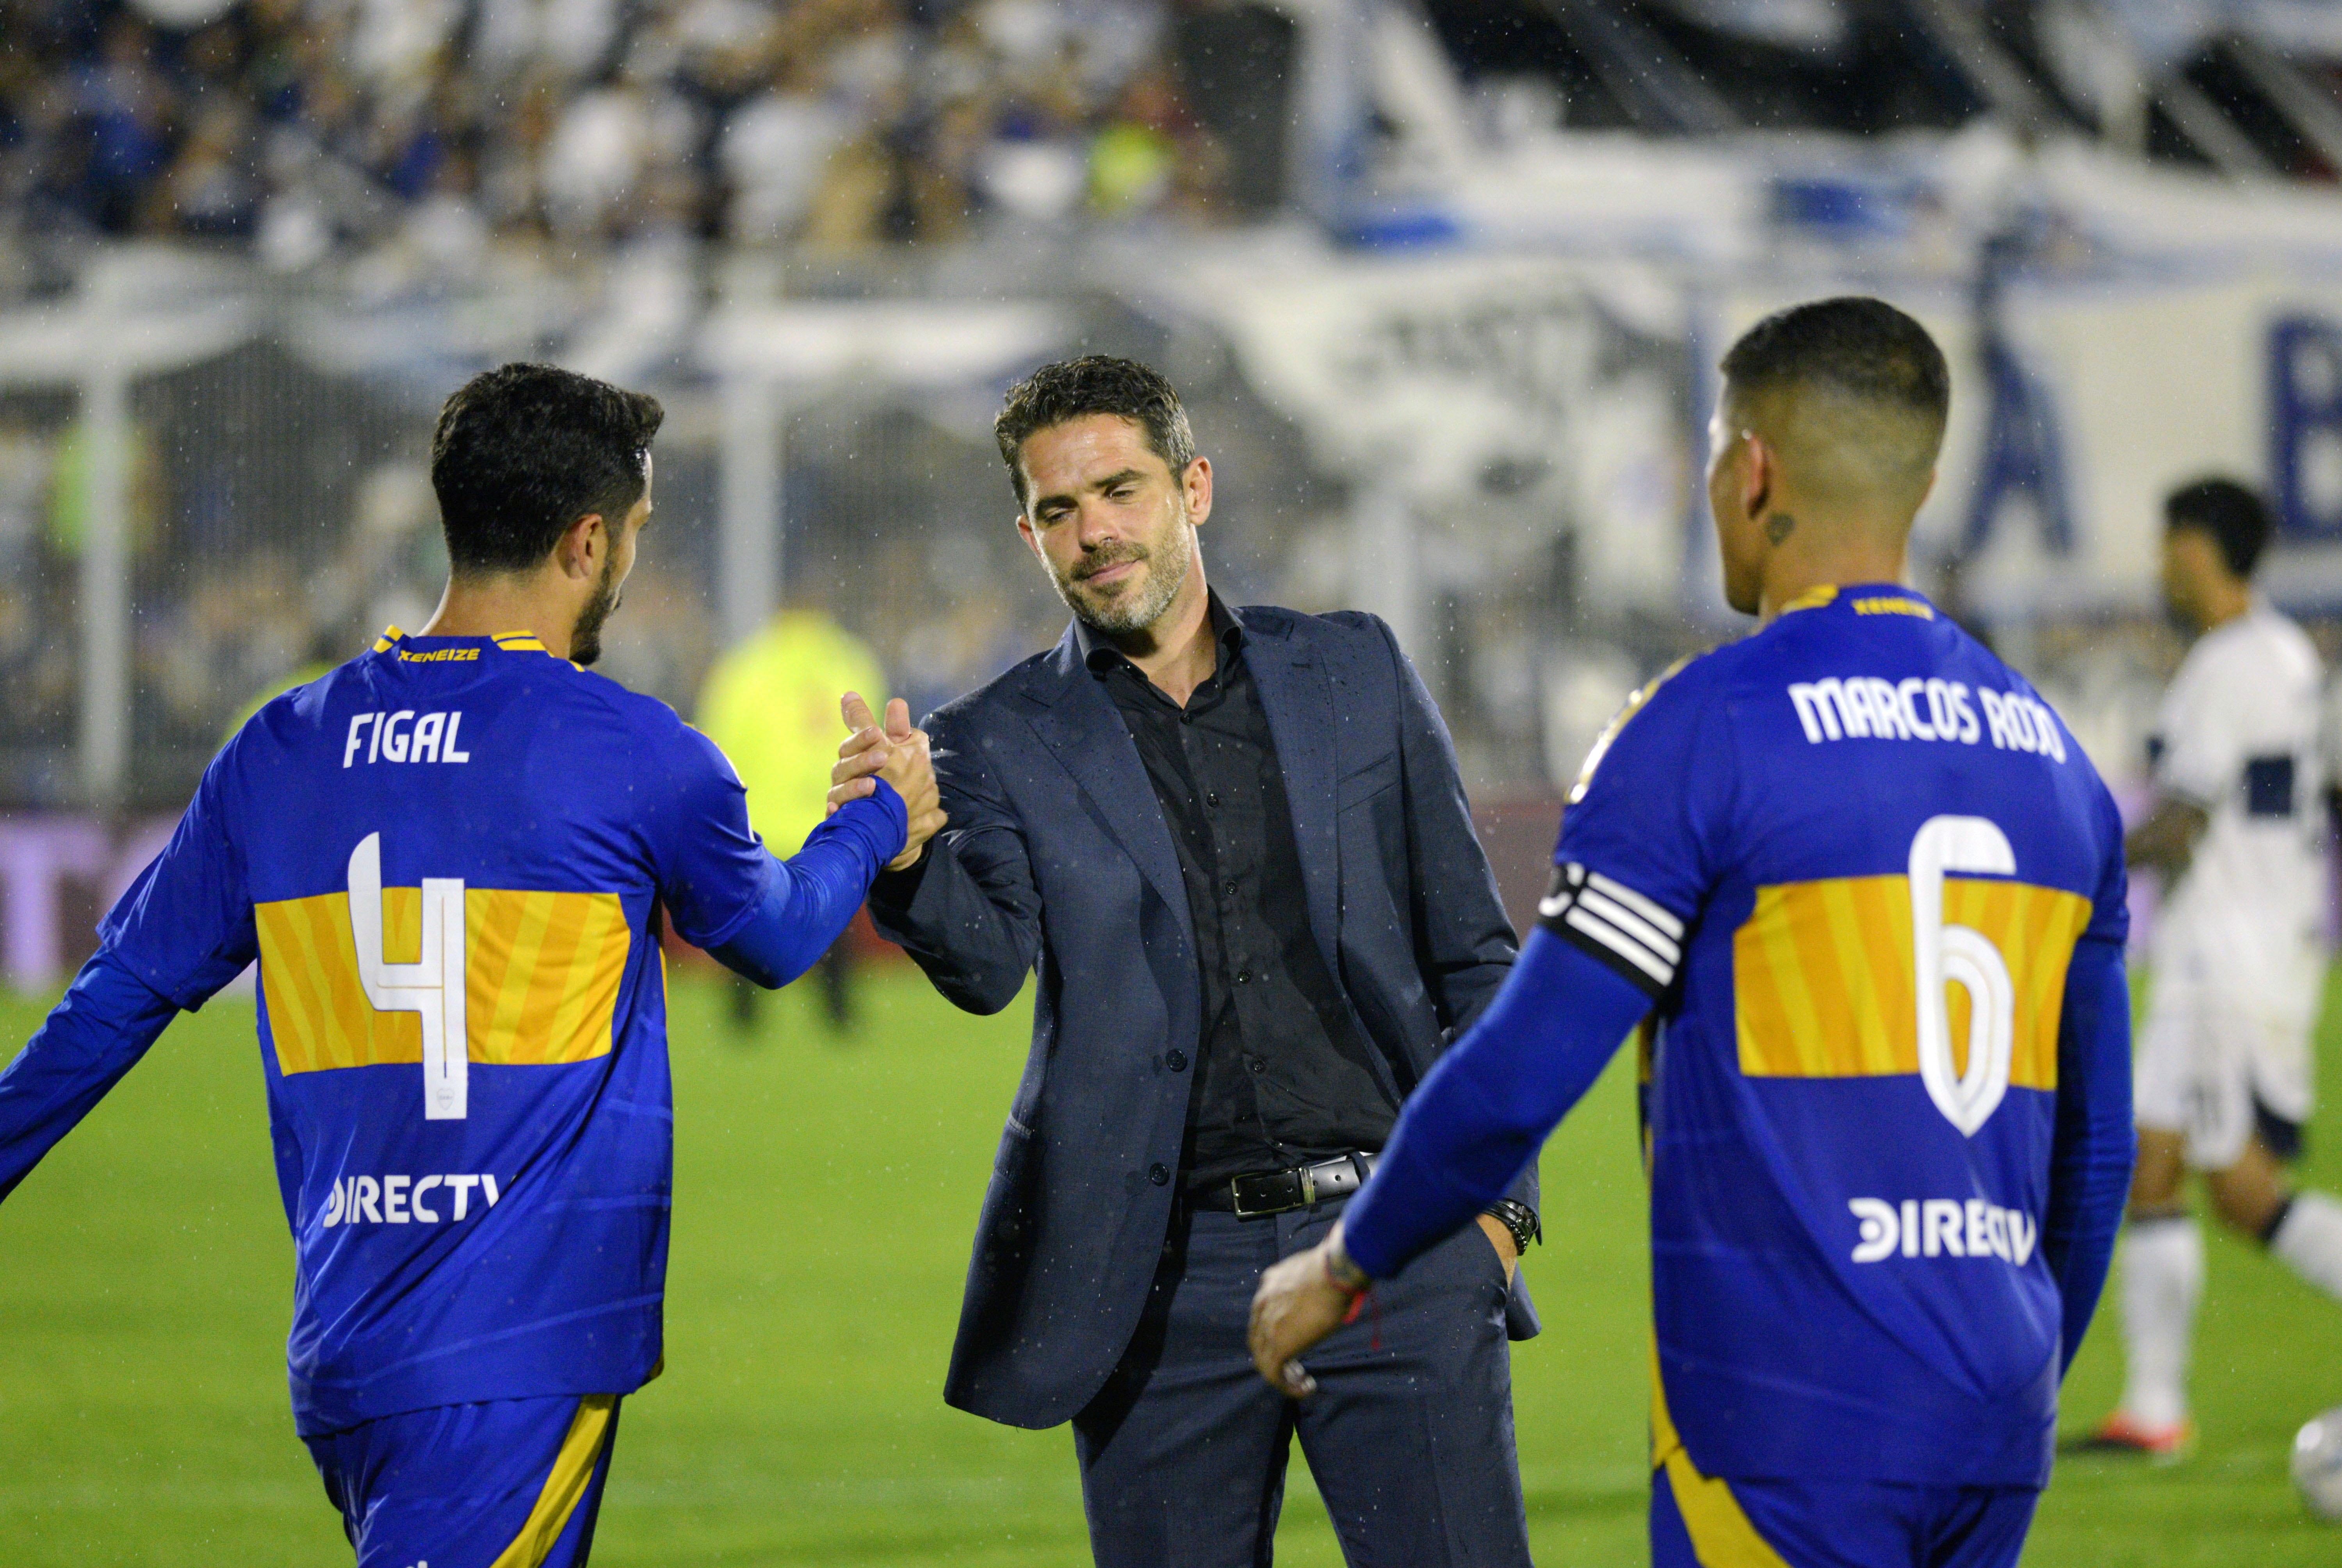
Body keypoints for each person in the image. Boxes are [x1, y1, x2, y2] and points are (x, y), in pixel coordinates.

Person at [0, 363, 942, 1568]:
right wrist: (874, 818)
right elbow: (781, 937)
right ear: (589, 539)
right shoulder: (635, 751)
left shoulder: (281, 748)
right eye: (638, 536)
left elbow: (112, 1002)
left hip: (347, 1352)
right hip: (514, 1356)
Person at [1250, 297, 2138, 1568]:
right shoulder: (2057, 762)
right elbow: (2094, 1152)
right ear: (1923, 481)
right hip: (1992, 1410)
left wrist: (1340, 1261)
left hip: (1786, 1410)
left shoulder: (1701, 727)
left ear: (1750, 469)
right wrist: (2015, 1375)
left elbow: (1519, 1072)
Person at [858, 355, 1542, 1567]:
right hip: (1156, 1288)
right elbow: (984, 966)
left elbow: (1476, 957)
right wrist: (910, 858)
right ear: (1026, 531)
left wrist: (1494, 1214)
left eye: (1119, 490)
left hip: (1396, 1238)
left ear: (1195, 489)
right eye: (1058, 510)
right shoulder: (994, 738)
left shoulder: (1356, 669)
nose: (1094, 532)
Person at [2086, 478, 2342, 1458]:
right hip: (2258, 943)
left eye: (2166, 545)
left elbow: (2182, 822)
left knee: (2231, 1187)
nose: (2158, 566)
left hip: (2223, 956)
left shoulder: (2227, 664)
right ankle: (2152, 1410)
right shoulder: (2286, 654)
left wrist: (2076, 874)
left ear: (2198, 548)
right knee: (2166, 1171)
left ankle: (2154, 1407)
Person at [698, 606, 891, 1034]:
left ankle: (743, 1022)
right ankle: (839, 1019)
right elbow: (875, 746)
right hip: (827, 819)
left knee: (747, 926)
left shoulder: (747, 667)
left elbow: (716, 744)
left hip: (759, 822)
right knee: (834, 923)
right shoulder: (849, 664)